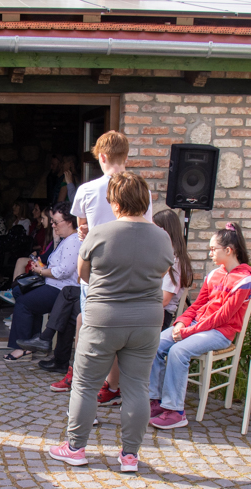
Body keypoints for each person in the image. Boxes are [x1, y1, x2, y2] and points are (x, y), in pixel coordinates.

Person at [48, 172, 174, 472]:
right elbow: (161, 273)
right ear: (144, 201)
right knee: (137, 387)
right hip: (146, 319)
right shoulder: (162, 236)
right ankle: (130, 455)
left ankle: (75, 448)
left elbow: (83, 274)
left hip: (104, 317)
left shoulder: (99, 233)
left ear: (115, 203)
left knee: (85, 384)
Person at [70, 131, 153, 404]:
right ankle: (115, 386)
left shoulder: (87, 190)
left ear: (102, 157)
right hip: (133, 271)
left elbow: (82, 230)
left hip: (98, 272)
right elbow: (147, 229)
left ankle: (90, 391)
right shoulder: (142, 190)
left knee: (93, 335)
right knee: (125, 336)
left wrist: (86, 236)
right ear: (126, 156)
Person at [148, 222, 251, 430]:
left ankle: (175, 411)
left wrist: (188, 331)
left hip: (220, 332)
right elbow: (197, 305)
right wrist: (181, 322)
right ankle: (156, 400)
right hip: (197, 326)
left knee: (179, 351)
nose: (210, 253)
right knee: (156, 342)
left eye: (213, 249)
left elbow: (222, 317)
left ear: (228, 250)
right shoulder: (214, 275)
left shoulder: (244, 281)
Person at [3, 207, 82, 362]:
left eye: (56, 222)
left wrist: (41, 271)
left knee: (24, 303)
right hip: (56, 285)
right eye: (52, 221)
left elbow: (64, 271)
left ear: (69, 222)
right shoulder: (66, 240)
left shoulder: (73, 242)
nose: (53, 225)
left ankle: (22, 348)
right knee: (20, 292)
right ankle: (32, 343)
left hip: (63, 290)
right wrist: (42, 267)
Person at [153, 209, 194, 328]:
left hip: (160, 315)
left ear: (164, 231)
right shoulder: (163, 255)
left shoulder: (175, 261)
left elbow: (164, 300)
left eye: (155, 229)